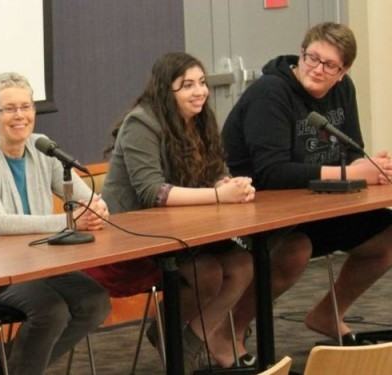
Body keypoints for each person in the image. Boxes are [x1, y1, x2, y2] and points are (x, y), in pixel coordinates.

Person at [224, 22, 392, 354]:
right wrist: (350, 172)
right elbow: (270, 173)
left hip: (317, 204)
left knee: (387, 236)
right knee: (295, 251)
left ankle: (329, 313)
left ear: (342, 72)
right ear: (301, 53)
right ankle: (230, 329)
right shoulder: (271, 92)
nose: (316, 68)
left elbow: (351, 149)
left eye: (329, 65)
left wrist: (371, 169)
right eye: (311, 57)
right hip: (260, 211)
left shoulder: (344, 91)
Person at [91, 52, 256, 370]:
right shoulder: (142, 122)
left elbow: (216, 171)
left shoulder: (201, 119)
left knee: (244, 263)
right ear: (166, 91)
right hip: (132, 235)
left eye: (202, 83)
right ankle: (171, 339)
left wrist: (227, 183)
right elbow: (153, 192)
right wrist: (220, 196)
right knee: (205, 273)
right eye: (187, 85)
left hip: (185, 230)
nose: (200, 92)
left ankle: (187, 344)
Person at [0, 72, 111, 374]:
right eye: (10, 109)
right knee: (50, 311)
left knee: (95, 301)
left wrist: (97, 208)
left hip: (39, 264)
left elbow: (86, 199)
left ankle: (8, 362)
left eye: (26, 107)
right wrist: (70, 222)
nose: (21, 116)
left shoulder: (43, 147)